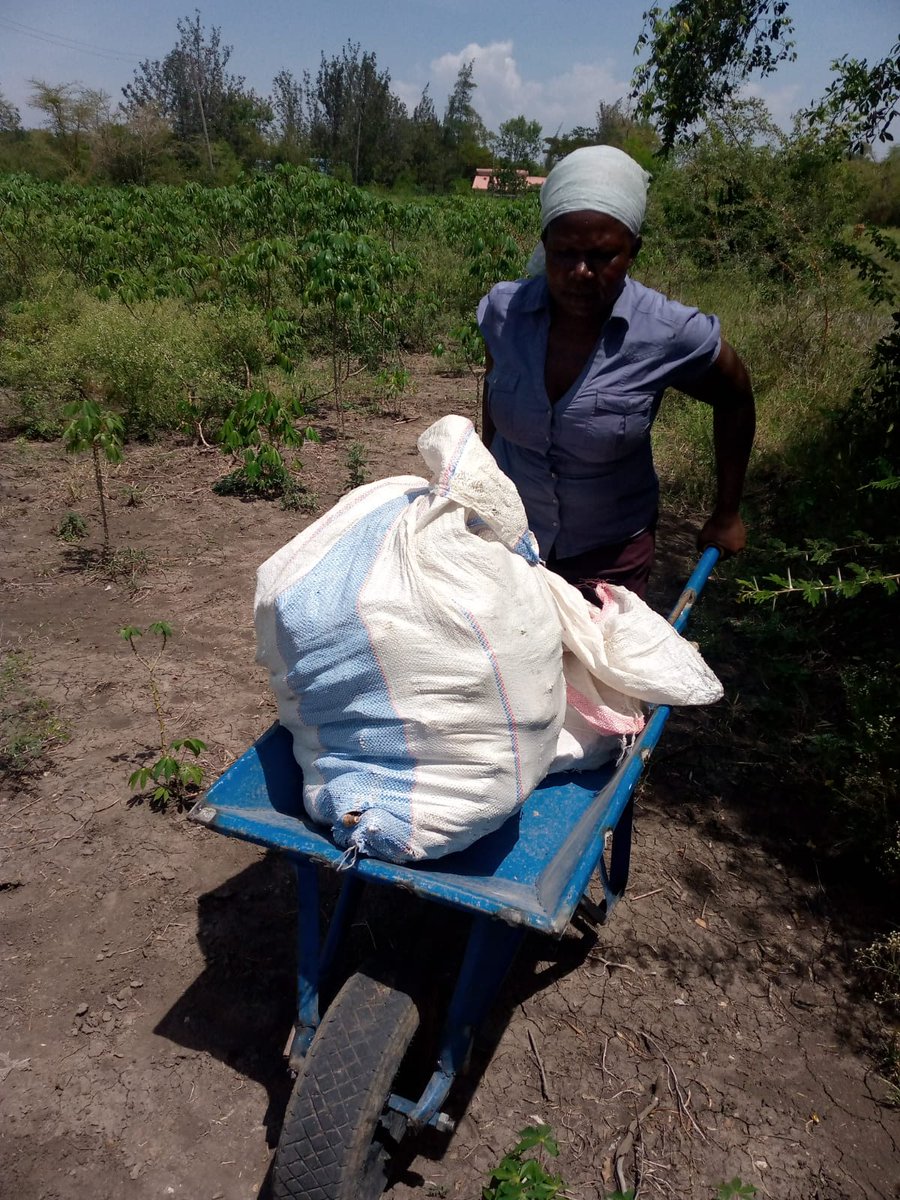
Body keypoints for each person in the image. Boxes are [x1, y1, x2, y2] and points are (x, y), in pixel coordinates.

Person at [478, 144, 755, 601]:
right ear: (545, 245)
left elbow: (735, 395)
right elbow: (494, 389)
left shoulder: (666, 331)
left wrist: (727, 513)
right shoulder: (503, 314)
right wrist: (483, 479)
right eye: (565, 254)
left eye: (603, 256)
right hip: (511, 544)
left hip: (608, 560)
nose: (581, 272)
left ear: (633, 251)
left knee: (594, 673)